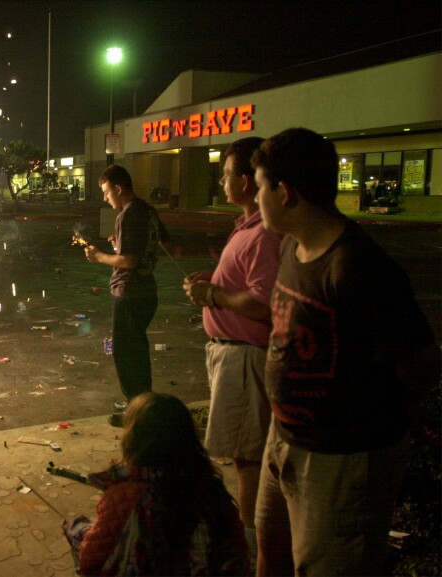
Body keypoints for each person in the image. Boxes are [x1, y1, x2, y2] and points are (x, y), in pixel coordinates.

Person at [250, 127, 441, 576]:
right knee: (270, 547)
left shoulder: (356, 266)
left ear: (286, 192)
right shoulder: (291, 247)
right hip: (285, 439)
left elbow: (421, 361)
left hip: (340, 461)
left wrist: (373, 414)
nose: (256, 198)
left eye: (260, 187)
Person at [182, 136, 280, 558]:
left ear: (246, 180)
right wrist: (215, 282)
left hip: (244, 358)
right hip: (232, 355)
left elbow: (262, 302)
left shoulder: (263, 234)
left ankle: (254, 550)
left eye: (225, 175)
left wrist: (214, 297)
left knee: (247, 459)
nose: (220, 182)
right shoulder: (246, 227)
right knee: (244, 457)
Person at [62, 392, 250, 576]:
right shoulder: (212, 491)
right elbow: (239, 554)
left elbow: (91, 562)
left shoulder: (128, 496)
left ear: (133, 441)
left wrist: (77, 528)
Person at [84, 164, 164, 427]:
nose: (106, 198)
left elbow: (129, 260)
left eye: (107, 192)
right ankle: (141, 402)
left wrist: (99, 257)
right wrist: (119, 243)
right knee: (136, 349)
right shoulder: (146, 210)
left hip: (130, 291)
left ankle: (137, 410)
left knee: (126, 352)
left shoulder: (128, 215)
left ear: (118, 188)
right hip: (145, 290)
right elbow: (154, 242)